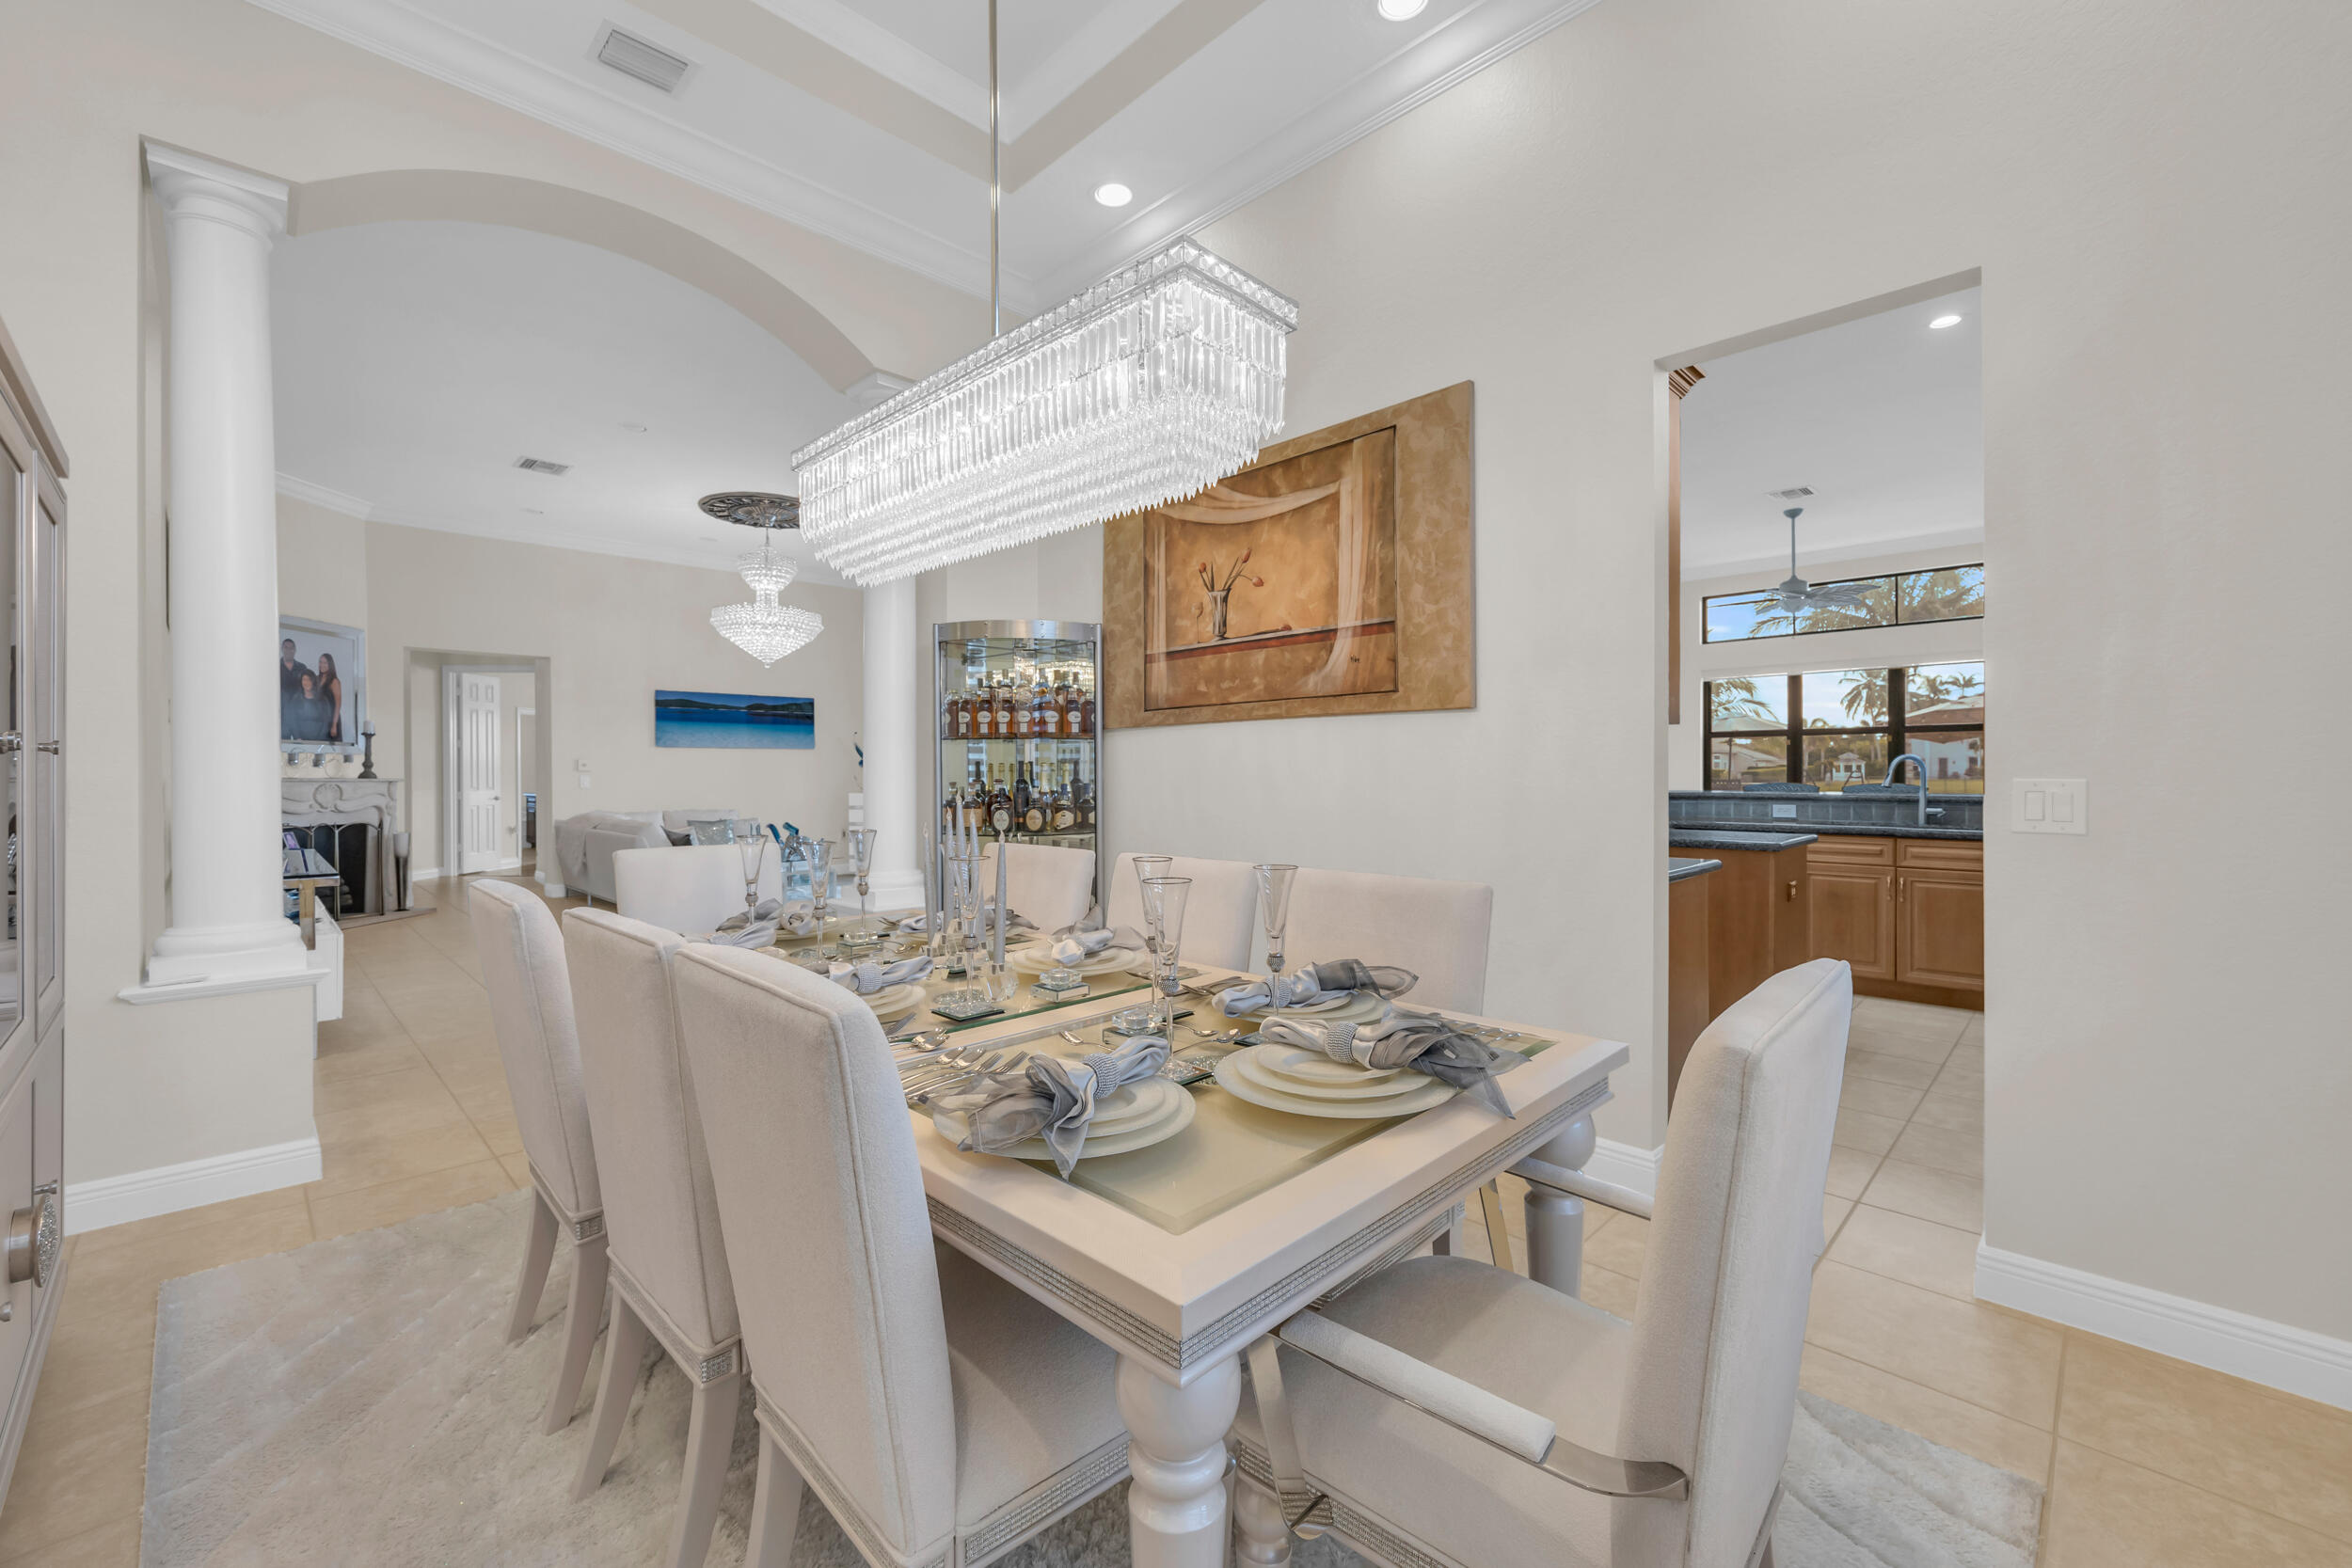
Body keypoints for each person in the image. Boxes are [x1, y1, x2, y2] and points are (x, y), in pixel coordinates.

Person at [279, 638, 312, 741]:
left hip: (299, 712)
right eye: (286, 648)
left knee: (302, 744)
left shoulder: (302, 667)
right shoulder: (274, 666)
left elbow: (307, 688)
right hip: (281, 713)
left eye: (291, 648)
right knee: (282, 745)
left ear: (295, 650)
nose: (289, 650)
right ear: (282, 649)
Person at [315, 651, 343, 743]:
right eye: (320, 662)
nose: (322, 665)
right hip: (320, 720)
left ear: (330, 665)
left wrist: (334, 725)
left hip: (331, 720)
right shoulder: (316, 678)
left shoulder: (334, 681)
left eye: (325, 663)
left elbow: (338, 704)